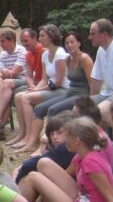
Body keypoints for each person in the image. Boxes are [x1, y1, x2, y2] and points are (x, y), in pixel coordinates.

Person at [11, 24, 70, 153]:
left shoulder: (60, 54)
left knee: (26, 97)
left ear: (51, 36)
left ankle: (29, 139)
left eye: (43, 36)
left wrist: (37, 90)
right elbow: (44, 78)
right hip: (51, 88)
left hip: (62, 90)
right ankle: (23, 133)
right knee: (19, 96)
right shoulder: (46, 55)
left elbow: (59, 82)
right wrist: (36, 88)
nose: (40, 38)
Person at [0, 29, 27, 140]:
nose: (0, 44)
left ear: (11, 40)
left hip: (23, 79)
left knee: (2, 83)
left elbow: (14, 72)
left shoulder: (22, 51)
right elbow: (2, 70)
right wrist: (0, 74)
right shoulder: (3, 54)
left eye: (3, 41)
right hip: (8, 81)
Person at [43, 30, 94, 117]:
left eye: (72, 42)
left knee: (53, 110)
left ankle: (55, 130)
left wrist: (92, 102)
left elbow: (92, 83)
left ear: (79, 43)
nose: (69, 45)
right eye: (67, 43)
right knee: (44, 107)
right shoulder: (67, 59)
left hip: (82, 95)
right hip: (70, 93)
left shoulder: (85, 59)